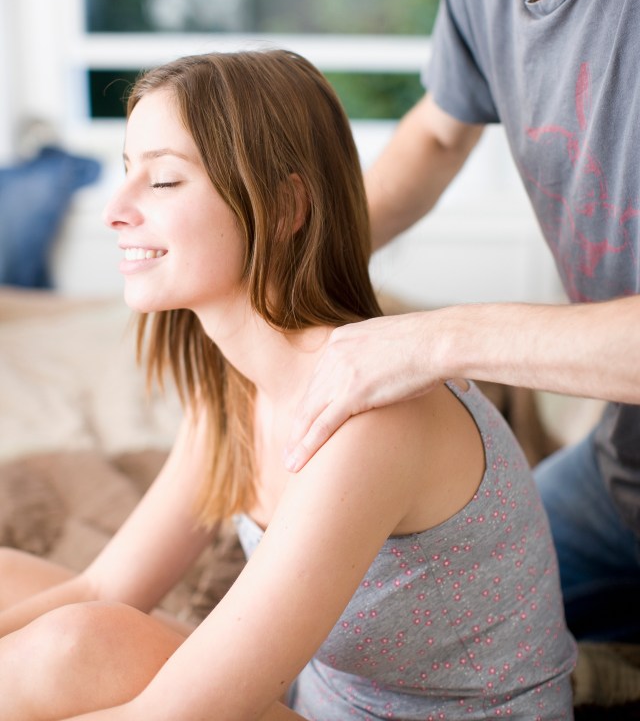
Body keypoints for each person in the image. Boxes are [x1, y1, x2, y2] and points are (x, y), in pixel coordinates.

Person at [0, 49, 575, 720]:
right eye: (127, 173)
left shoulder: (373, 419)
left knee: (79, 644)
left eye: (163, 181)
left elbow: (174, 714)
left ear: (283, 206)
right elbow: (107, 582)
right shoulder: (232, 389)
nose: (114, 210)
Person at [283, 0, 640, 644]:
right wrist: (281, 264)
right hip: (622, 477)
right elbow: (437, 135)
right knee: (345, 623)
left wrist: (434, 339)